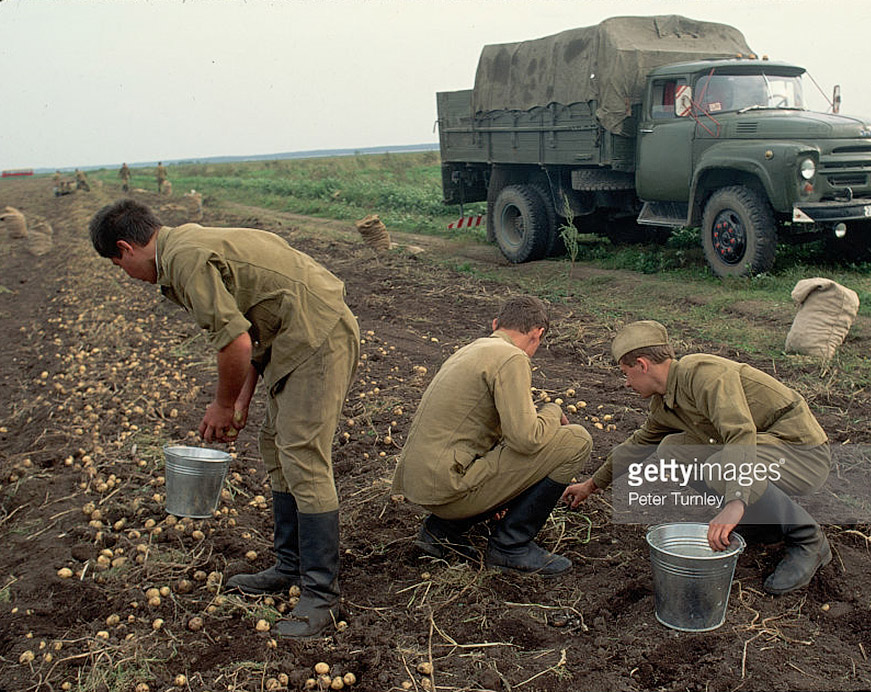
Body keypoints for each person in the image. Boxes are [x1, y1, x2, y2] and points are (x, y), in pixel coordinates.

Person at [89, 199, 360, 638]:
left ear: (125, 248)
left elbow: (234, 343)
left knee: (301, 453)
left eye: (120, 266)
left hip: (318, 334)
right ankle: (290, 566)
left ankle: (321, 593)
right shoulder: (185, 244)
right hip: (287, 336)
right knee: (275, 445)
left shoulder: (183, 259)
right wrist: (241, 401)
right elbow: (250, 329)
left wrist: (221, 403)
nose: (129, 276)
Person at [563, 320, 833, 595]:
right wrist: (592, 485)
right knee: (672, 450)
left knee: (721, 466)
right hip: (765, 451)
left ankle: (808, 538)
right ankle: (763, 527)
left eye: (626, 373)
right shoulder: (666, 402)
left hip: (801, 453)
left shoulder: (705, 374)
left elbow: (740, 434)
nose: (627, 382)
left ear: (642, 365)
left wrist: (735, 502)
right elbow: (638, 445)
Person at [392, 295, 593, 576]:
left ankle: (441, 531)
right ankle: (511, 546)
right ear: (539, 334)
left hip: (424, 484)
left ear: (496, 323)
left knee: (508, 451)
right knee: (576, 440)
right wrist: (551, 411)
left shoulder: (474, 349)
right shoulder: (511, 357)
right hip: (448, 489)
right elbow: (525, 440)